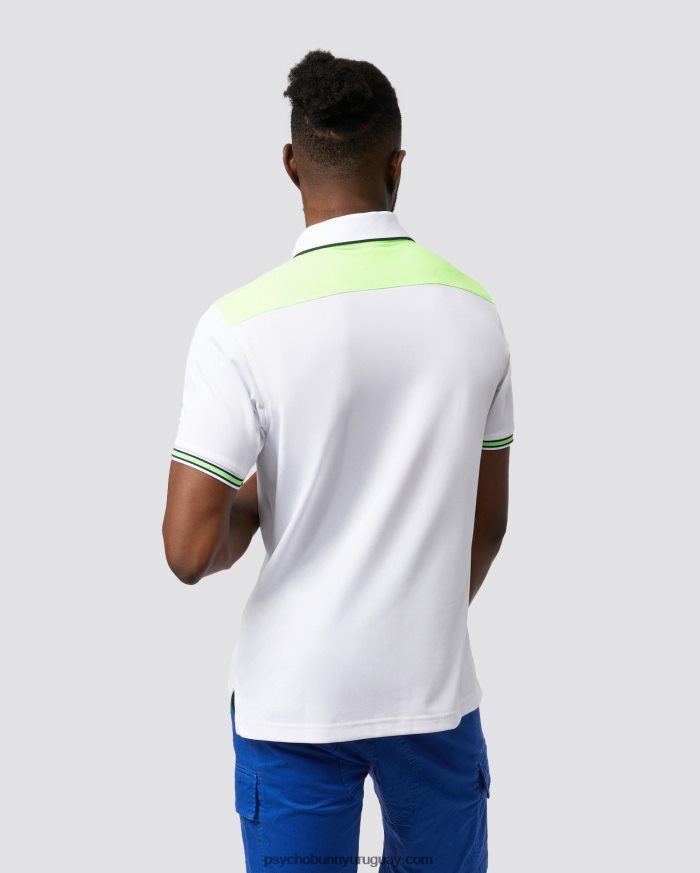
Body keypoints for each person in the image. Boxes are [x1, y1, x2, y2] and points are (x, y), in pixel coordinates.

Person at [162, 48, 513, 873]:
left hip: (294, 698)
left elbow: (188, 550)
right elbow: (489, 522)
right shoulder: (475, 311)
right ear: (397, 165)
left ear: (292, 162)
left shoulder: (238, 325)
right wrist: (412, 615)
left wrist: (265, 492)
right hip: (433, 691)